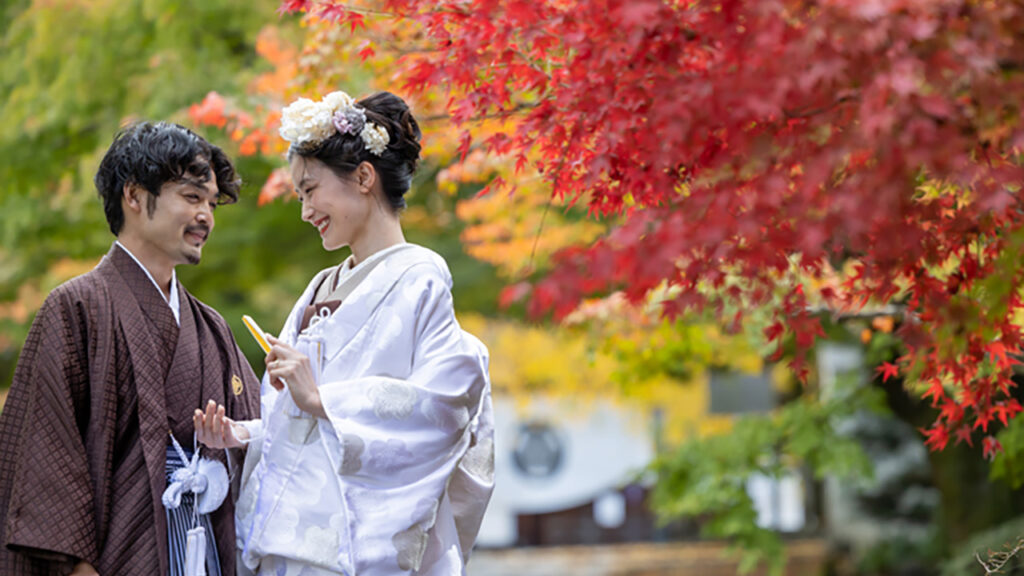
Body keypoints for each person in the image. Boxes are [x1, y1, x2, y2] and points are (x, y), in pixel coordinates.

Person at [194, 91, 495, 576]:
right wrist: (246, 434)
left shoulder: (420, 275)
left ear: (362, 178)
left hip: (354, 548)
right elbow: (297, 418)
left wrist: (323, 400)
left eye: (310, 190)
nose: (305, 210)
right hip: (288, 541)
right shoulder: (319, 286)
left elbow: (446, 406)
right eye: (299, 195)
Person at [0, 122, 261, 576]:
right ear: (135, 197)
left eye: (211, 203)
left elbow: (267, 437)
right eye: (192, 197)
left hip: (208, 555)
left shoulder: (212, 328)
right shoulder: (76, 308)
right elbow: (47, 463)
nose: (207, 217)